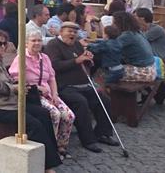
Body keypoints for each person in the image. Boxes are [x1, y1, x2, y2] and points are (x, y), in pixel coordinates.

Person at [0, 28, 61, 172]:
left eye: (4, 44)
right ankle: (46, 165)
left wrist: (21, 85)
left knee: (43, 113)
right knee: (34, 124)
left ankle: (51, 156)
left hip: (9, 103)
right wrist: (14, 88)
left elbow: (9, 81)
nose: (2, 47)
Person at [44, 21, 118, 152]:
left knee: (104, 100)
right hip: (65, 86)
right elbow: (54, 66)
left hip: (83, 84)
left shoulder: (77, 44)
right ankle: (88, 140)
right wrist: (77, 60)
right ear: (61, 32)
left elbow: (84, 62)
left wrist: (88, 60)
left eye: (75, 32)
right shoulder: (53, 45)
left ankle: (102, 133)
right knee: (81, 103)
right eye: (69, 31)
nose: (72, 34)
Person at [10, 29, 76, 159]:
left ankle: (61, 145)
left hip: (49, 93)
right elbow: (16, 79)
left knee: (69, 115)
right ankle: (50, 147)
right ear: (26, 43)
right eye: (33, 40)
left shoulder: (44, 58)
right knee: (55, 114)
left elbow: (52, 78)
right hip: (33, 94)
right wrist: (38, 88)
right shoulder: (21, 58)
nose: (36, 43)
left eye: (39, 40)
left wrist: (55, 94)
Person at [111, 11, 156, 82]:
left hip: (143, 72)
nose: (112, 25)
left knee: (106, 71)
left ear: (120, 24)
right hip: (151, 69)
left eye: (114, 23)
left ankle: (105, 92)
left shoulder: (127, 35)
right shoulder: (136, 32)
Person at [135, 7, 165, 74]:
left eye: (135, 16)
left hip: (164, 63)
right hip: (154, 62)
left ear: (142, 18)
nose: (133, 19)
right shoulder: (142, 30)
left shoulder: (156, 29)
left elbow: (138, 41)